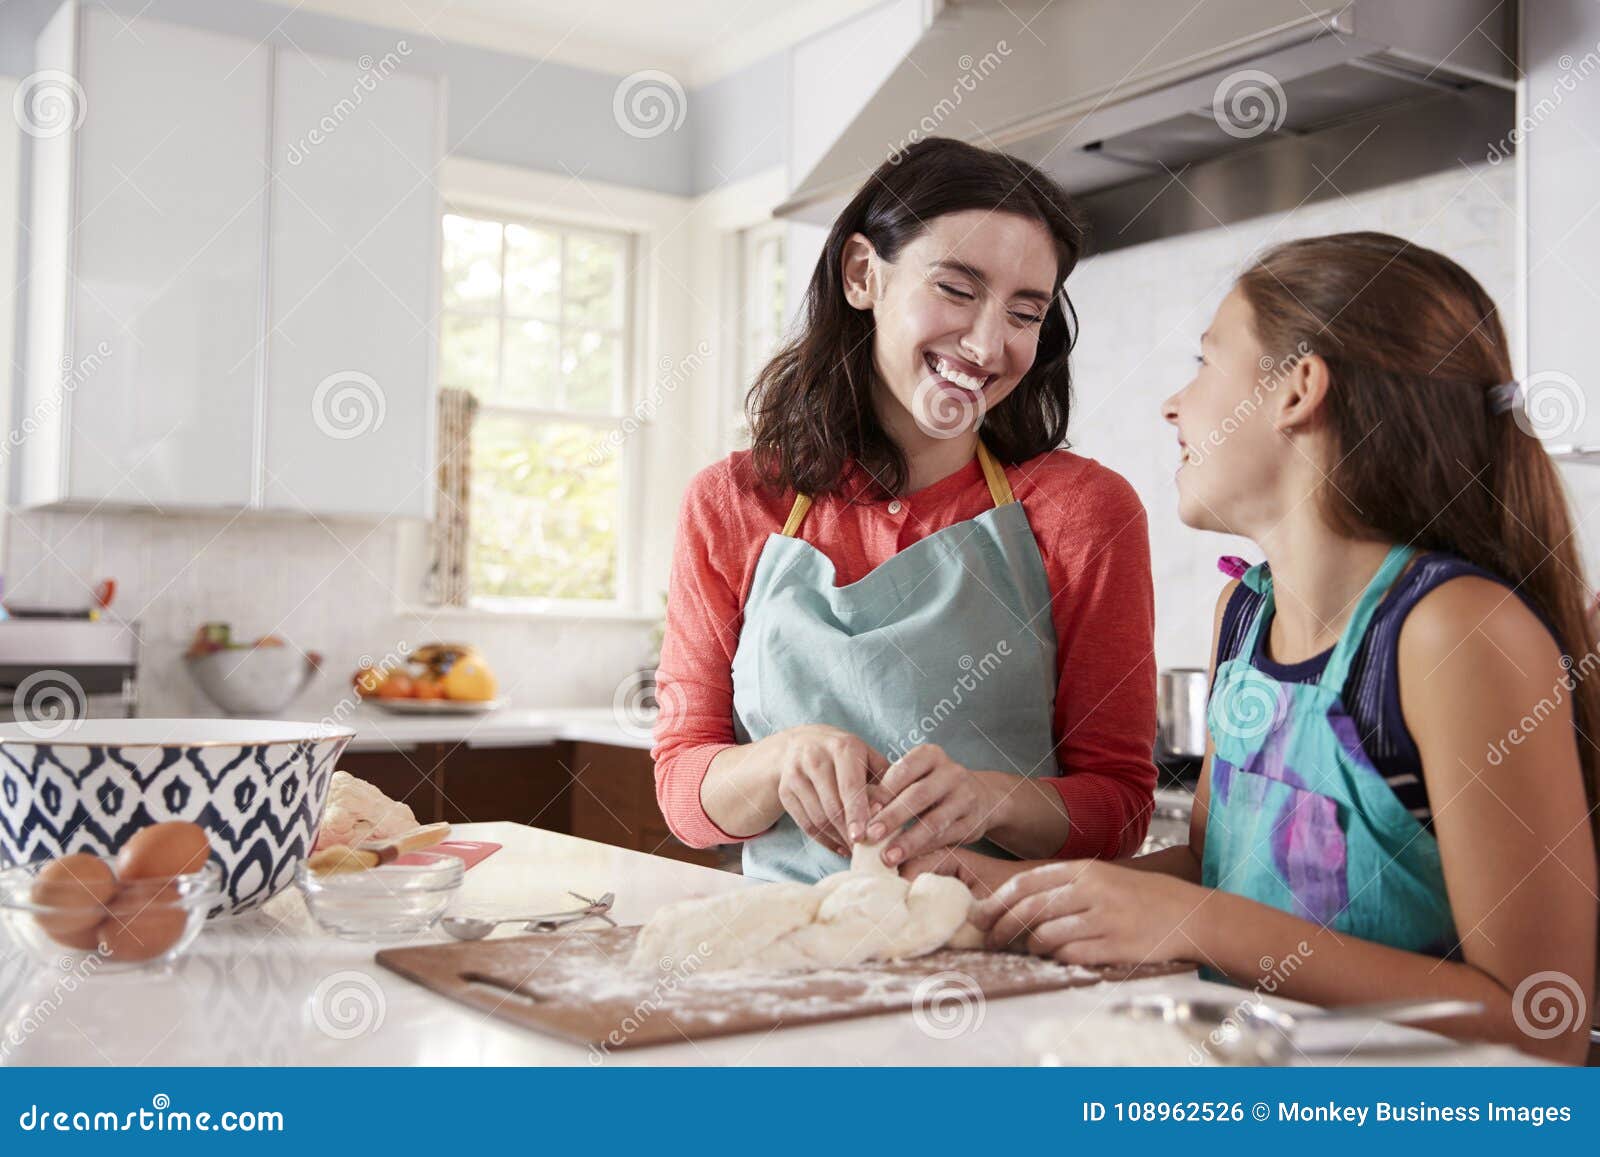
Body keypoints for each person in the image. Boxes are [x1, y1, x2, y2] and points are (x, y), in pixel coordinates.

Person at [911, 232, 1599, 1063]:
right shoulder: (1244, 613)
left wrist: (1200, 921)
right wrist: (1025, 894)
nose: (1173, 404)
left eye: (1204, 363)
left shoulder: (1453, 632)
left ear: (1297, 389)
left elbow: (1540, 1020)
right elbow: (1215, 865)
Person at [650, 138, 1157, 884]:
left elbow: (1120, 811)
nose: (989, 344)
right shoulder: (731, 502)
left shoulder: (1086, 511)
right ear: (863, 275)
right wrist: (776, 760)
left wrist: (994, 801)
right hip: (791, 951)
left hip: (1007, 957)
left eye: (1024, 312)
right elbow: (682, 795)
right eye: (957, 289)